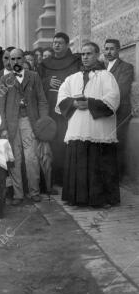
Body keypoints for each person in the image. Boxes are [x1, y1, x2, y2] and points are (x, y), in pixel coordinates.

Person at [56, 42, 120, 207]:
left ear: (97, 55)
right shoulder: (72, 78)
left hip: (98, 130)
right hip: (78, 127)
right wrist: (75, 104)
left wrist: (90, 104)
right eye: (83, 54)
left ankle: (101, 199)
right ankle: (77, 198)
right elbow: (62, 97)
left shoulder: (107, 77)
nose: (85, 57)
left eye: (89, 54)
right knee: (79, 162)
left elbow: (113, 99)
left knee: (98, 163)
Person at [0, 48, 49, 205]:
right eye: (12, 59)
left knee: (31, 158)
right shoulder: (5, 79)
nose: (15, 62)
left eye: (19, 59)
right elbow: (1, 106)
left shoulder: (33, 77)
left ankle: (34, 192)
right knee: (15, 159)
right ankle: (18, 194)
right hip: (12, 124)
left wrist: (43, 122)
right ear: (9, 61)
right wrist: (3, 128)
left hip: (29, 121)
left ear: (23, 60)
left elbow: (42, 100)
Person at [41, 32, 81, 188]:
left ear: (67, 45)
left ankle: (68, 177)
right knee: (54, 141)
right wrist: (47, 81)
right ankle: (55, 178)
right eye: (54, 42)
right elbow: (37, 82)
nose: (56, 45)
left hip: (69, 108)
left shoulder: (75, 61)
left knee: (67, 141)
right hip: (51, 108)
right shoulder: (45, 63)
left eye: (60, 43)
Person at [104, 38, 134, 179]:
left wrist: (103, 99)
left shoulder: (126, 67)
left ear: (118, 50)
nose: (108, 52)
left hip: (120, 110)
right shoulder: (102, 67)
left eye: (112, 49)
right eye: (106, 48)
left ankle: (118, 175)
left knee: (118, 141)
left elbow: (122, 89)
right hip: (105, 109)